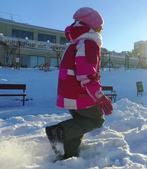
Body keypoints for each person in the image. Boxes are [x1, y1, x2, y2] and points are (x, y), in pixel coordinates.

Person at [45, 7, 113, 161]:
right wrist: (99, 96)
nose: (102, 28)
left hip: (70, 94)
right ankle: (58, 132)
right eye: (99, 25)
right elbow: (86, 75)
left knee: (78, 125)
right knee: (96, 120)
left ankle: (67, 156)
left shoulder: (76, 44)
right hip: (80, 95)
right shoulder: (89, 44)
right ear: (92, 26)